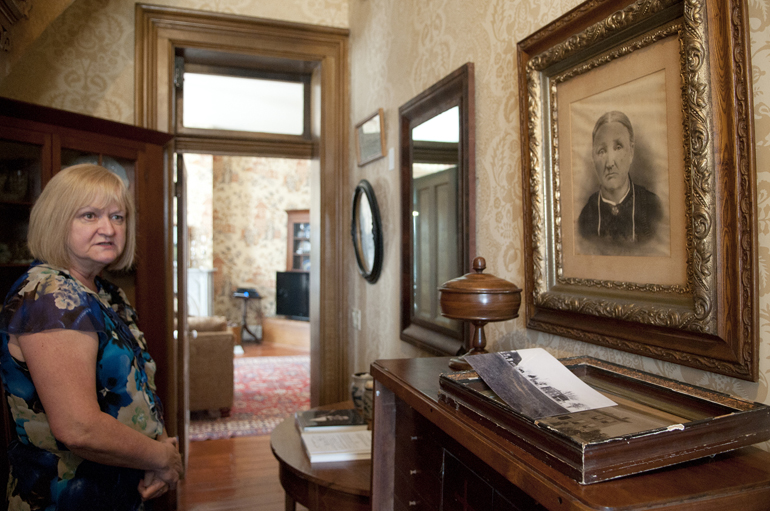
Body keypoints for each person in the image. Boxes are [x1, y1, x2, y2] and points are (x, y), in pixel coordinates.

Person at [0, 164, 183, 510]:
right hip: (68, 496)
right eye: (89, 215)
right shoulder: (51, 297)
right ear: (57, 221)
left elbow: (136, 389)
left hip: (121, 488)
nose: (108, 228)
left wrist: (155, 447)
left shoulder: (107, 293)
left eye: (117, 217)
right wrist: (163, 458)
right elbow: (78, 428)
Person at [578, 111, 663, 249]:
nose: (610, 163)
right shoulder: (586, 217)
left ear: (631, 152)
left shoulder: (652, 207)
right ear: (594, 158)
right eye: (602, 151)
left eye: (618, 147)